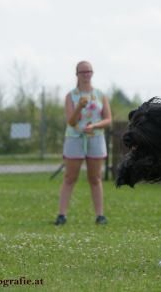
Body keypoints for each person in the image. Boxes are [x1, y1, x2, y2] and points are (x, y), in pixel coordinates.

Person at [54, 61, 112, 225]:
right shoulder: (71, 96)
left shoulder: (100, 95)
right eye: (83, 72)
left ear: (92, 73)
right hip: (75, 138)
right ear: (77, 74)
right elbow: (71, 121)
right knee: (70, 177)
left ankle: (100, 215)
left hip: (96, 137)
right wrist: (79, 107)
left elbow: (108, 119)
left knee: (95, 178)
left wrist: (94, 125)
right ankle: (62, 215)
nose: (86, 74)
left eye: (89, 71)